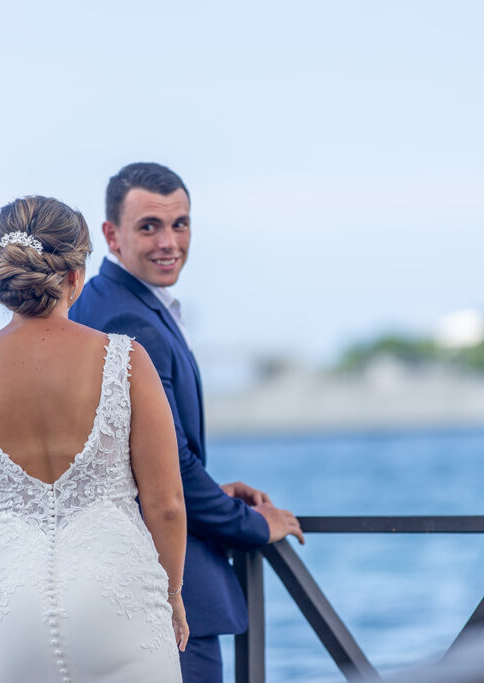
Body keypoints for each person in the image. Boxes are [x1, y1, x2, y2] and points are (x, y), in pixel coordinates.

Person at [0, 195, 189, 683]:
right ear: (74, 276)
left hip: (8, 605)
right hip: (119, 597)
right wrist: (171, 593)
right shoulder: (125, 360)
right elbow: (168, 504)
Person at [70, 162, 305, 683]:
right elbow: (171, 463)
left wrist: (216, 493)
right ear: (111, 234)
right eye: (149, 226)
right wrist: (248, 524)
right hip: (165, 596)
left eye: (181, 224)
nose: (169, 242)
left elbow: (122, 459)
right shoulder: (129, 320)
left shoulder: (99, 304)